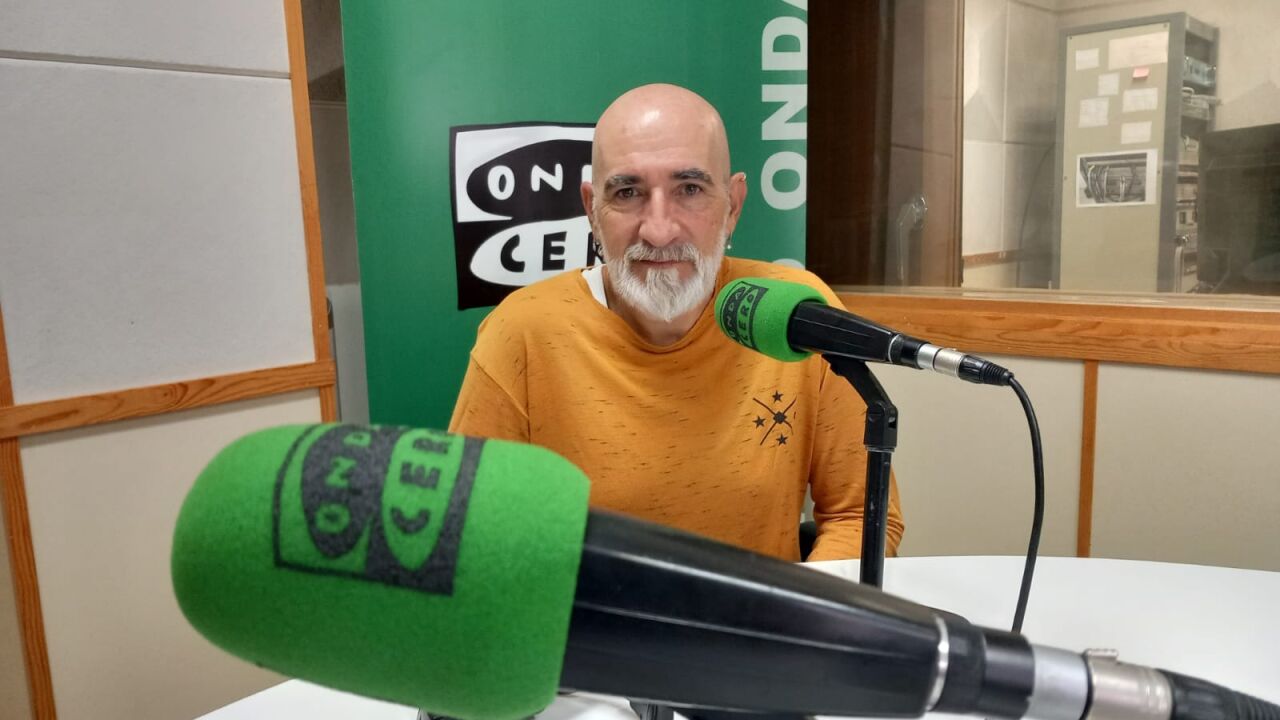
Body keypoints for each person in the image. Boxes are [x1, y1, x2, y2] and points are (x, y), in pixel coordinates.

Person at [449, 83, 903, 561]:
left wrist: (795, 609)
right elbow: (470, 536)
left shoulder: (796, 316)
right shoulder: (522, 332)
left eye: (689, 189)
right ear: (592, 211)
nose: (659, 230)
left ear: (733, 206)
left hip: (761, 610)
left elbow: (860, 517)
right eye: (627, 192)